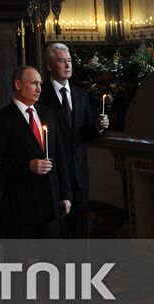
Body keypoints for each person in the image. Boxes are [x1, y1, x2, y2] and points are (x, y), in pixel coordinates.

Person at [0, 65, 71, 304]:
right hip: (19, 207)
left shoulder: (47, 114)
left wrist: (65, 194)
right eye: (33, 83)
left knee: (53, 269)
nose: (38, 88)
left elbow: (60, 156)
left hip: (50, 204)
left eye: (39, 83)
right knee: (17, 274)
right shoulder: (1, 119)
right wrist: (27, 166)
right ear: (17, 84)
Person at [40, 43, 108, 239]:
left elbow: (84, 133)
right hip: (53, 174)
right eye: (62, 61)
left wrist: (98, 127)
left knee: (78, 232)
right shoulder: (41, 95)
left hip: (79, 175)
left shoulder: (81, 95)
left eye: (69, 61)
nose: (68, 65)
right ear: (49, 65)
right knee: (55, 234)